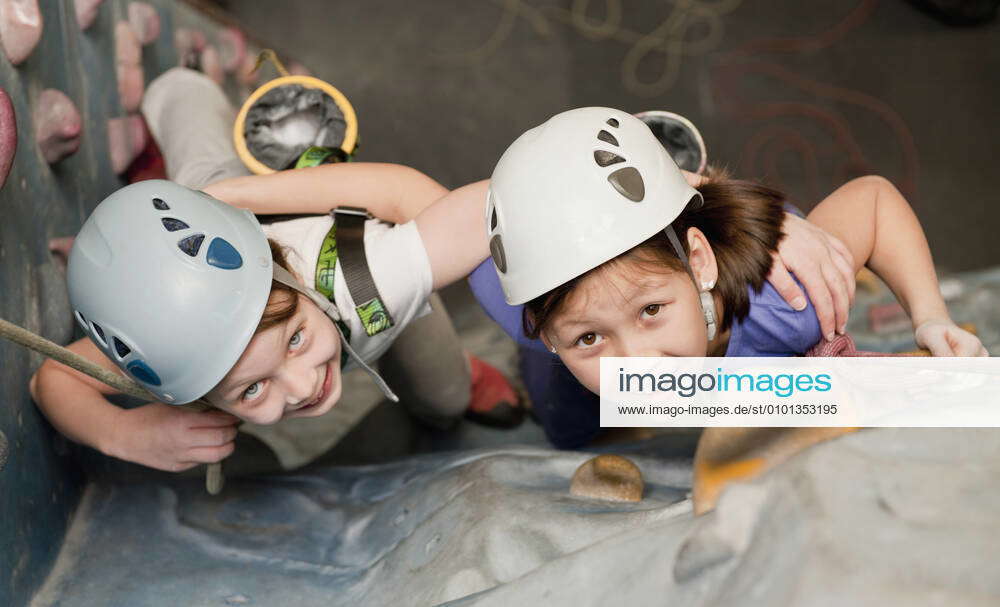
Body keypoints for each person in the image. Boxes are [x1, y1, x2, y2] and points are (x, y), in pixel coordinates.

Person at [28, 68, 505, 473]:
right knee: (444, 403)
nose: (303, 388)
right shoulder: (167, 340)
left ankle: (179, 104)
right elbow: (54, 378)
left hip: (325, 268)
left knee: (446, 399)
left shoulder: (371, 277)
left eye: (295, 337)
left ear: (289, 278)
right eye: (250, 389)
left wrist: (235, 196)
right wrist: (129, 434)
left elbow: (416, 199)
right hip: (295, 276)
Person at [467, 107, 987, 447]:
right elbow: (451, 226)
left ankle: (695, 176)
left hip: (742, 263)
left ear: (700, 262)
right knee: (568, 428)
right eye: (588, 337)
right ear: (542, 326)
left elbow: (873, 200)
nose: (637, 363)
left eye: (651, 311)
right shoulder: (521, 311)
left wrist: (930, 317)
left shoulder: (787, 300)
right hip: (574, 367)